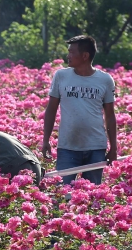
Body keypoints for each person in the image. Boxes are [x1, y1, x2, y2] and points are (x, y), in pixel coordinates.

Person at [42, 35, 117, 185]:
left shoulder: (105, 80)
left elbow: (110, 115)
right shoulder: (61, 76)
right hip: (67, 146)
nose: (68, 56)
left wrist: (113, 147)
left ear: (85, 56)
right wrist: (45, 140)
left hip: (96, 147)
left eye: (72, 52)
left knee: (92, 196)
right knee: (62, 192)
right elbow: (51, 109)